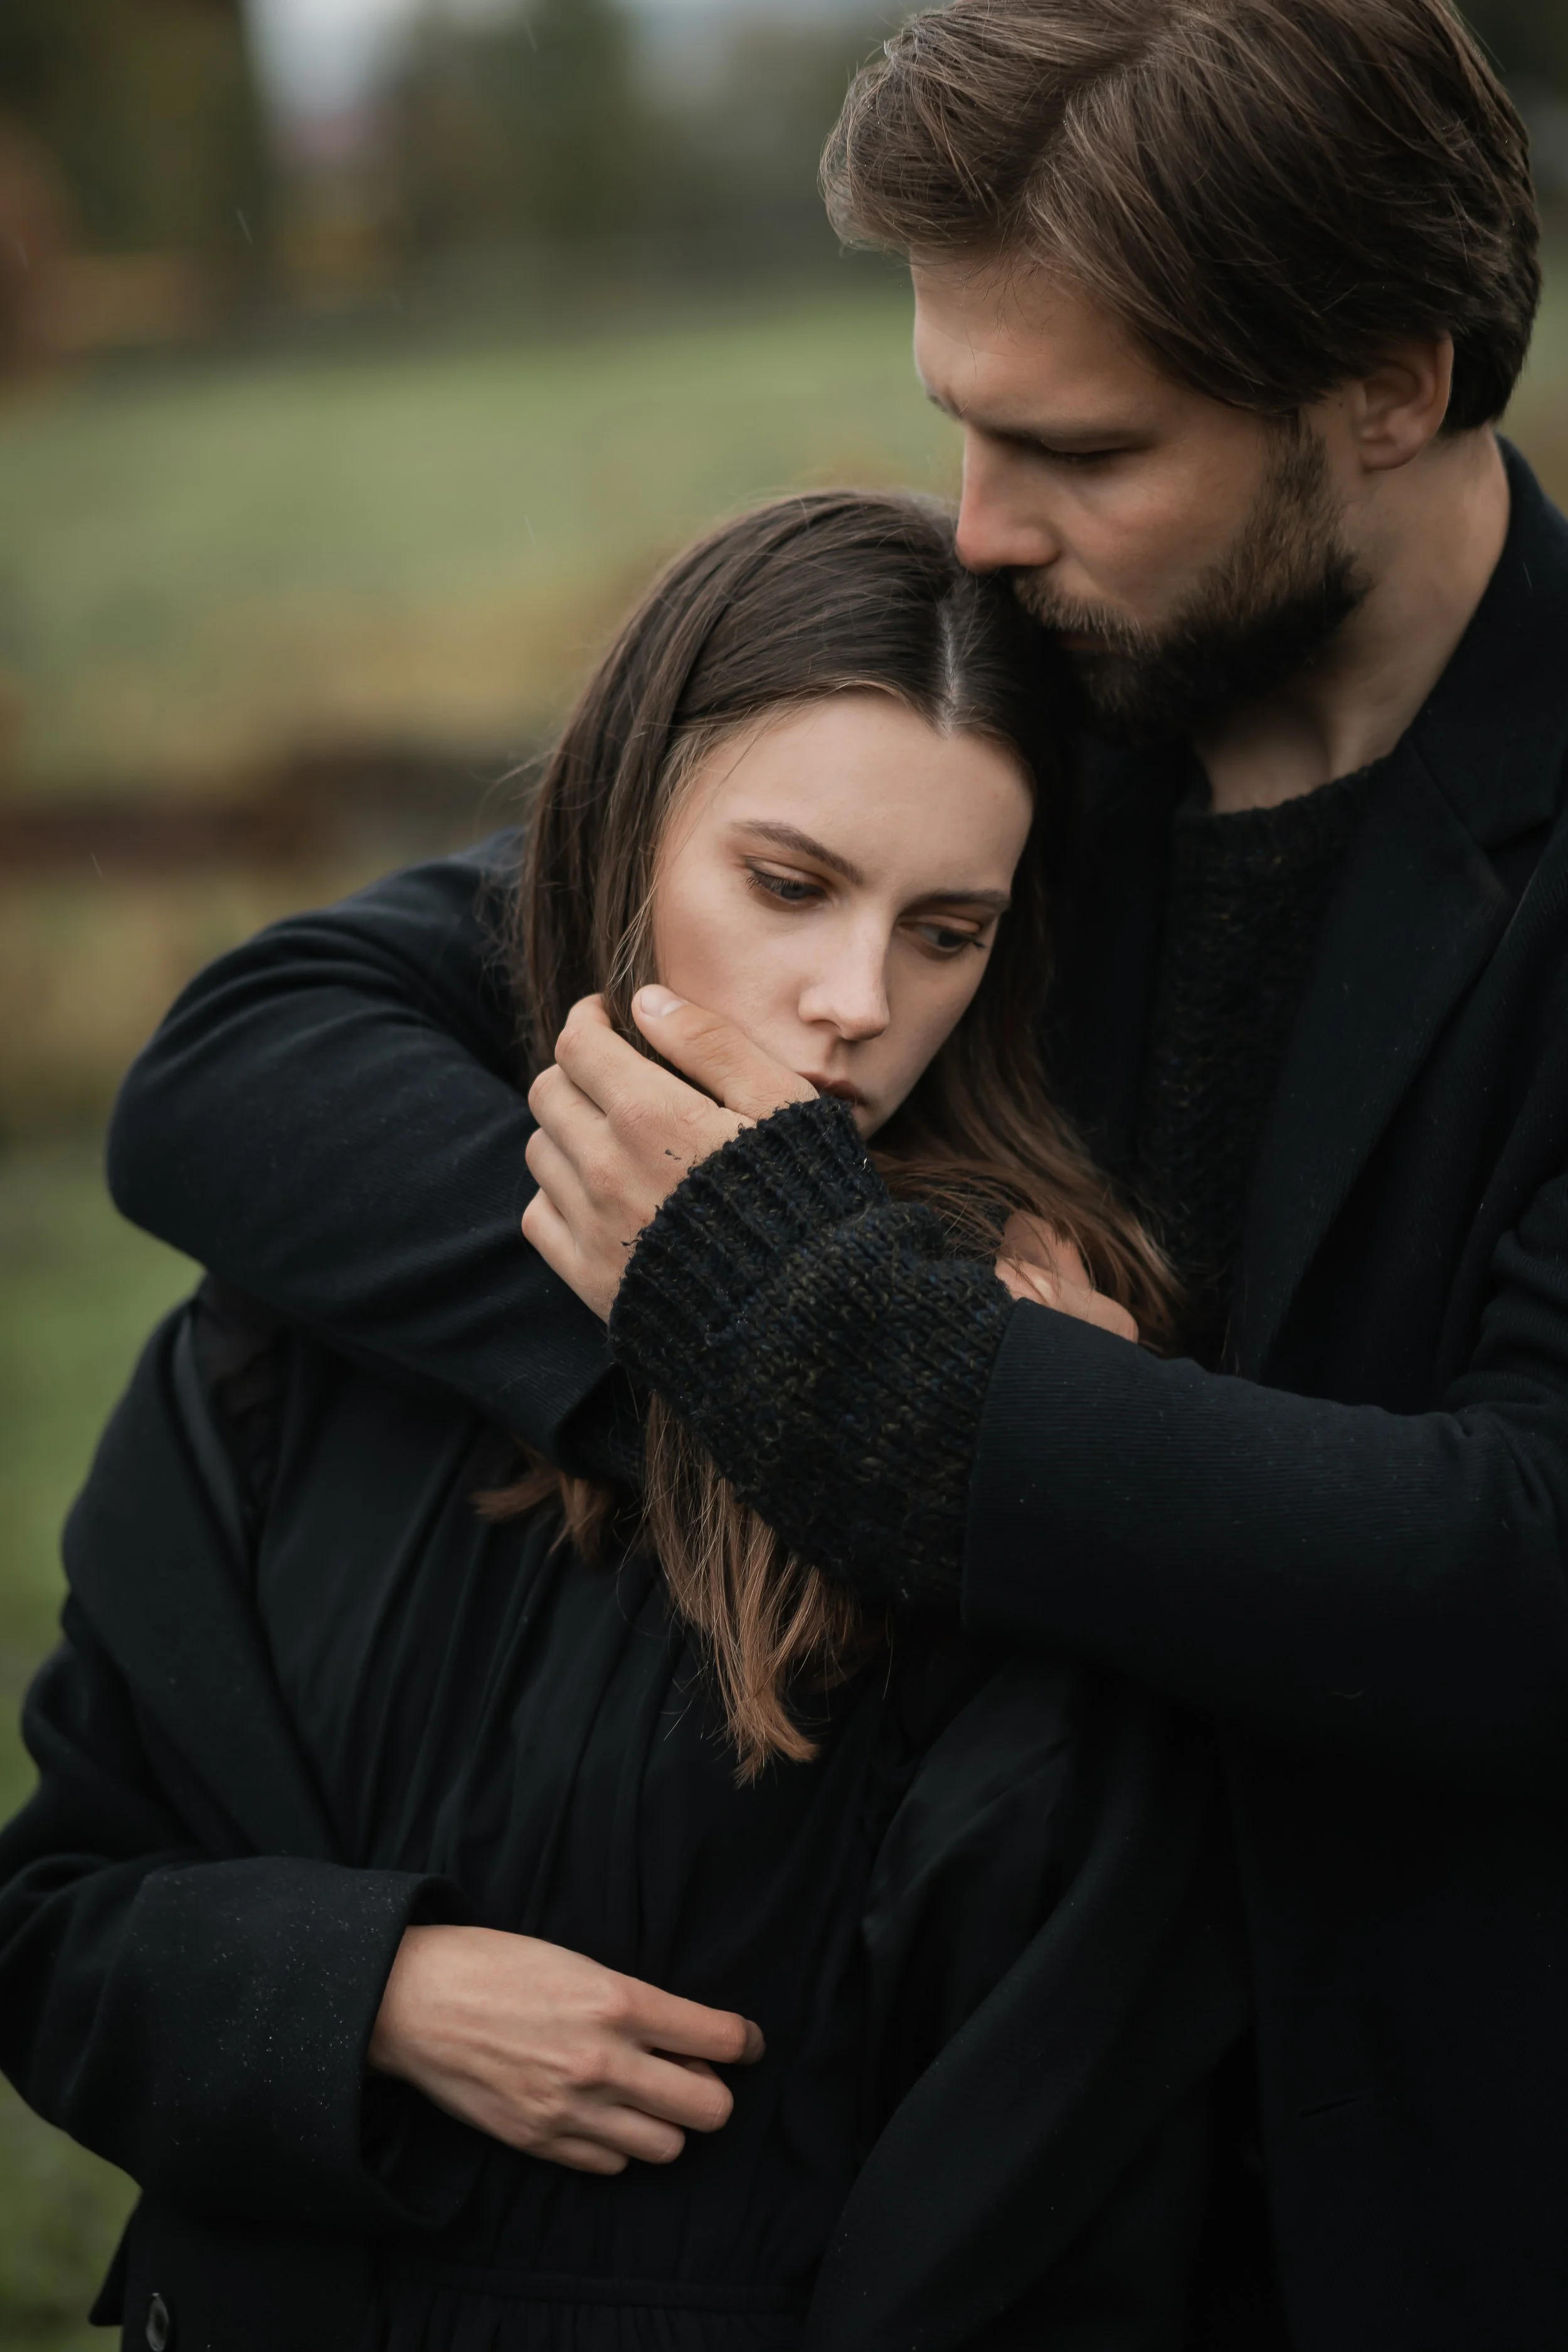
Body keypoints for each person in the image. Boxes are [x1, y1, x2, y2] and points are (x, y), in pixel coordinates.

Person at [93, 1, 1568, 2344]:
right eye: (954, 423)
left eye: (1078, 444)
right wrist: (722, 1332)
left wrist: (875, 1367)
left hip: (1413, 2199)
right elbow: (250, 1065)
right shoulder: (1001, 720)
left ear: (1388, 381)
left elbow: (1518, 1579)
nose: (979, 531)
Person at [0, 494, 1246, 2352]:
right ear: (616, 842)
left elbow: (1064, 2126)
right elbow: (57, 1921)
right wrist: (367, 1996)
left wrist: (1053, 1478)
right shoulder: (308, 1303)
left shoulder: (1026, 1365)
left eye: (946, 928)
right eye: (788, 882)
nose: (850, 1006)